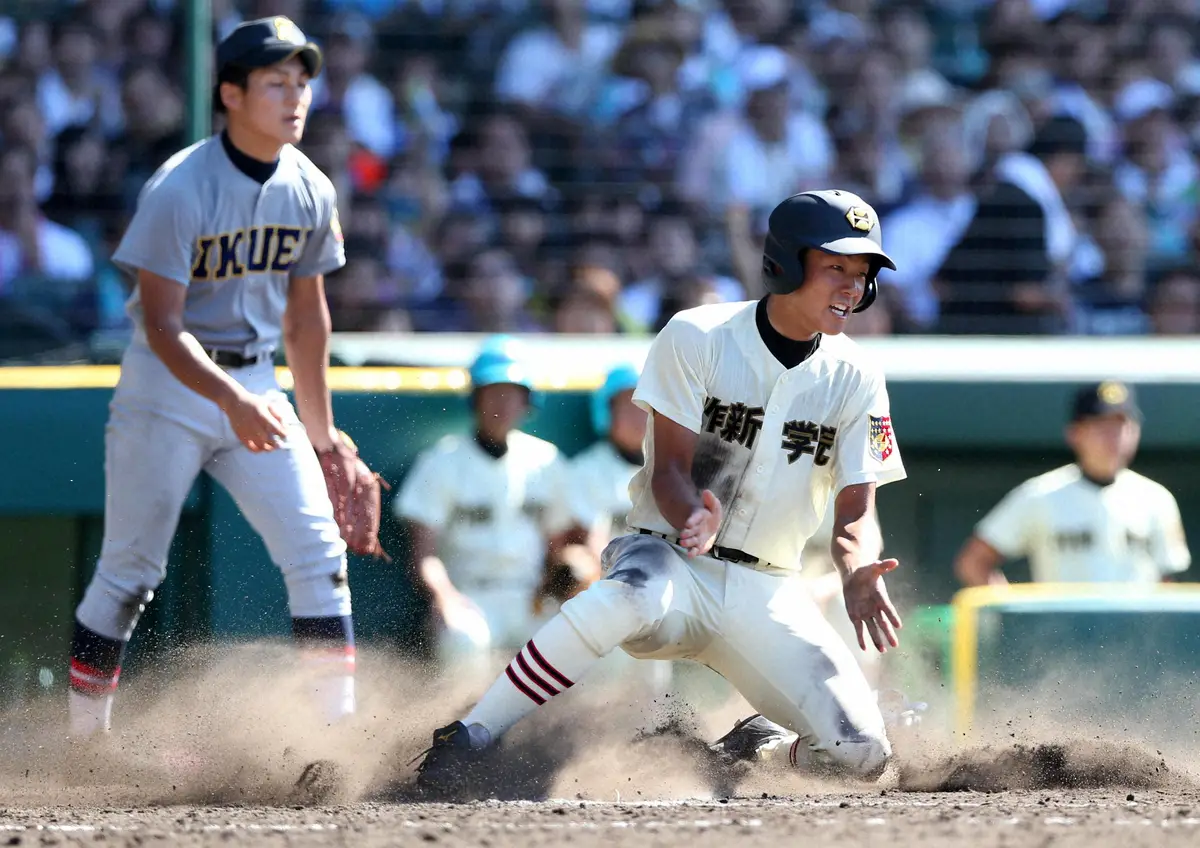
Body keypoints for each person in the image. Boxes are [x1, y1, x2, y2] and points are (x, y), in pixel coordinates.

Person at [412, 189, 909, 799]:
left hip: (768, 590)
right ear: (785, 262)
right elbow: (668, 470)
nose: (852, 288)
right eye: (836, 267)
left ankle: (761, 749)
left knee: (864, 754)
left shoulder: (857, 377)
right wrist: (689, 515)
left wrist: (857, 568)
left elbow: (855, 510)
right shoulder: (698, 335)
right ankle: (471, 735)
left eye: (861, 275)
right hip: (672, 557)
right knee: (630, 594)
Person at [67, 17, 361, 743]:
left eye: (301, 82)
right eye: (274, 83)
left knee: (319, 553)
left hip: (256, 382)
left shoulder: (310, 187)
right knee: (130, 573)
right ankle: (85, 742)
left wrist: (324, 440)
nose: (295, 97)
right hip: (167, 389)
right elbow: (163, 327)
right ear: (229, 94)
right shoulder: (180, 188)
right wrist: (230, 401)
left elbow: (307, 321)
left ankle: (338, 744)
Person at [393, 335, 580, 681]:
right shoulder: (442, 461)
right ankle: (464, 733)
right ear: (476, 397)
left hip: (531, 598)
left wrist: (569, 575)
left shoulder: (546, 462)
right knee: (464, 638)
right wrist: (444, 596)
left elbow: (560, 545)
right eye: (494, 391)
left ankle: (579, 733)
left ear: (527, 401)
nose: (503, 403)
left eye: (513, 393)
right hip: (470, 597)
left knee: (587, 636)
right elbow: (423, 554)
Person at [954, 381, 1191, 586]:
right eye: (1101, 426)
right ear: (1074, 433)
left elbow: (1167, 582)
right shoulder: (1041, 493)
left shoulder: (1156, 498)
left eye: (1121, 426)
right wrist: (1012, 613)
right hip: (1062, 634)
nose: (1113, 437)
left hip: (1135, 634)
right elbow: (973, 562)